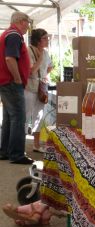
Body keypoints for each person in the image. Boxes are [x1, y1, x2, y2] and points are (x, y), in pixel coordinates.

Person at [0, 11, 34, 164]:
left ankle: (5, 151)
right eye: (28, 22)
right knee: (19, 117)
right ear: (21, 21)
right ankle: (16, 154)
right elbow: (9, 58)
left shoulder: (9, 34)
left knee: (9, 118)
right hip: (12, 83)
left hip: (6, 82)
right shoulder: (14, 35)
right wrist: (18, 78)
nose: (28, 26)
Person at [25, 28, 53, 152]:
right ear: (37, 40)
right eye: (45, 38)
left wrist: (43, 76)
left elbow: (50, 67)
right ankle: (19, 147)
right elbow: (31, 70)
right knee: (26, 116)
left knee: (39, 116)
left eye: (48, 37)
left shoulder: (46, 52)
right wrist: (40, 59)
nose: (48, 40)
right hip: (30, 88)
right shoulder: (28, 50)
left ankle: (36, 145)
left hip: (41, 88)